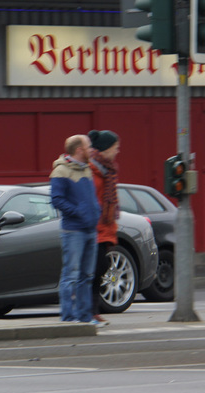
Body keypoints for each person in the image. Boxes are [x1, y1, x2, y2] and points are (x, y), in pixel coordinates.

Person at [51, 135, 101, 324]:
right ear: (79, 149)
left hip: (90, 229)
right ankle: (68, 317)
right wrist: (79, 212)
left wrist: (96, 210)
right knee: (71, 275)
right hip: (73, 231)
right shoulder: (61, 171)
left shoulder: (87, 169)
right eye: (88, 147)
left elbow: (90, 197)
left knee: (86, 276)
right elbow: (56, 200)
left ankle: (84, 316)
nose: (91, 150)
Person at [88, 129, 121, 326]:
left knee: (101, 269)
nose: (117, 151)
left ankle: (94, 310)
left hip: (105, 229)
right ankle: (90, 311)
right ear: (106, 149)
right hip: (95, 229)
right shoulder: (94, 171)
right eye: (116, 148)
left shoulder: (107, 171)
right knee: (97, 269)